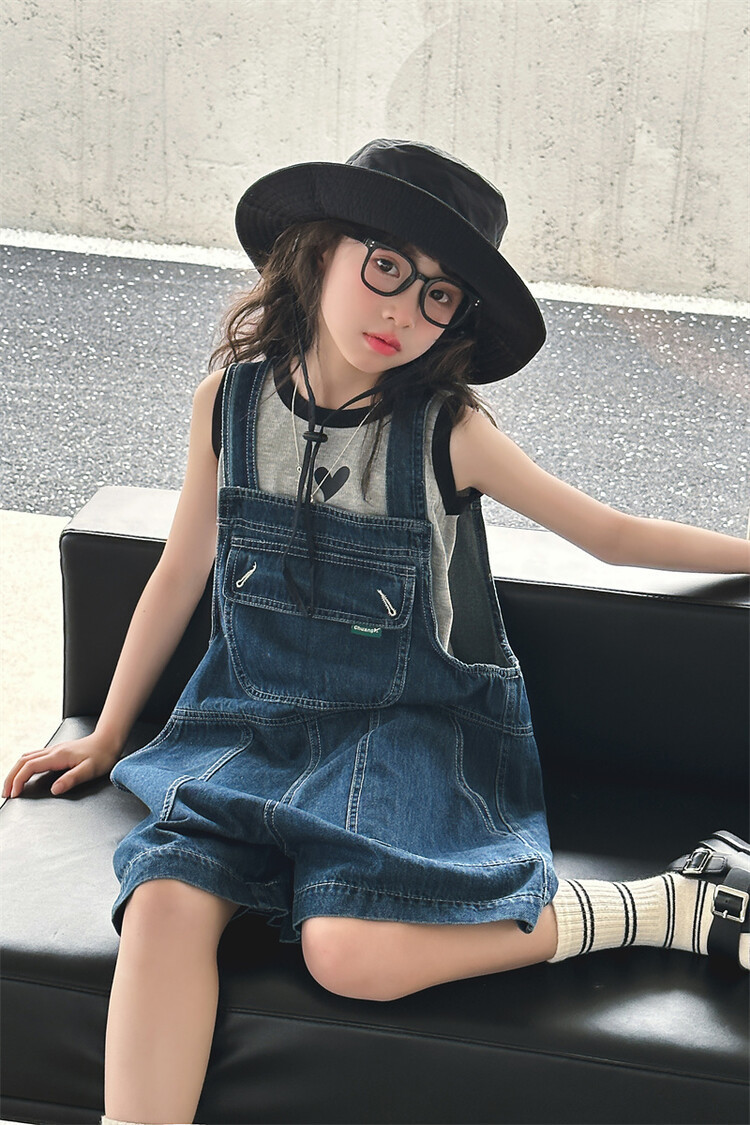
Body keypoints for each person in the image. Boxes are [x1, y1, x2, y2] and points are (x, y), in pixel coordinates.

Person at [3, 139, 749, 1125]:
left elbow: (611, 537)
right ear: (320, 252)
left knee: (348, 954)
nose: (401, 312)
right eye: (386, 266)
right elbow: (181, 571)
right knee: (162, 900)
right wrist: (106, 733)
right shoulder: (227, 405)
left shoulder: (447, 432)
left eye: (438, 295)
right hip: (247, 723)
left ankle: (672, 903)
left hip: (408, 732)